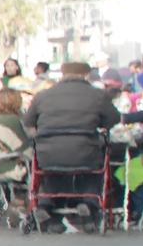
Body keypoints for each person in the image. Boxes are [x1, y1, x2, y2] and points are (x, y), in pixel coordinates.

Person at [23, 61, 122, 229]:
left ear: (62, 74)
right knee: (95, 165)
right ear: (86, 75)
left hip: (48, 153)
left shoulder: (43, 95)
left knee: (53, 168)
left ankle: (46, 205)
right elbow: (113, 119)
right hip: (85, 152)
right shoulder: (97, 95)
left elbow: (28, 122)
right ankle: (89, 203)